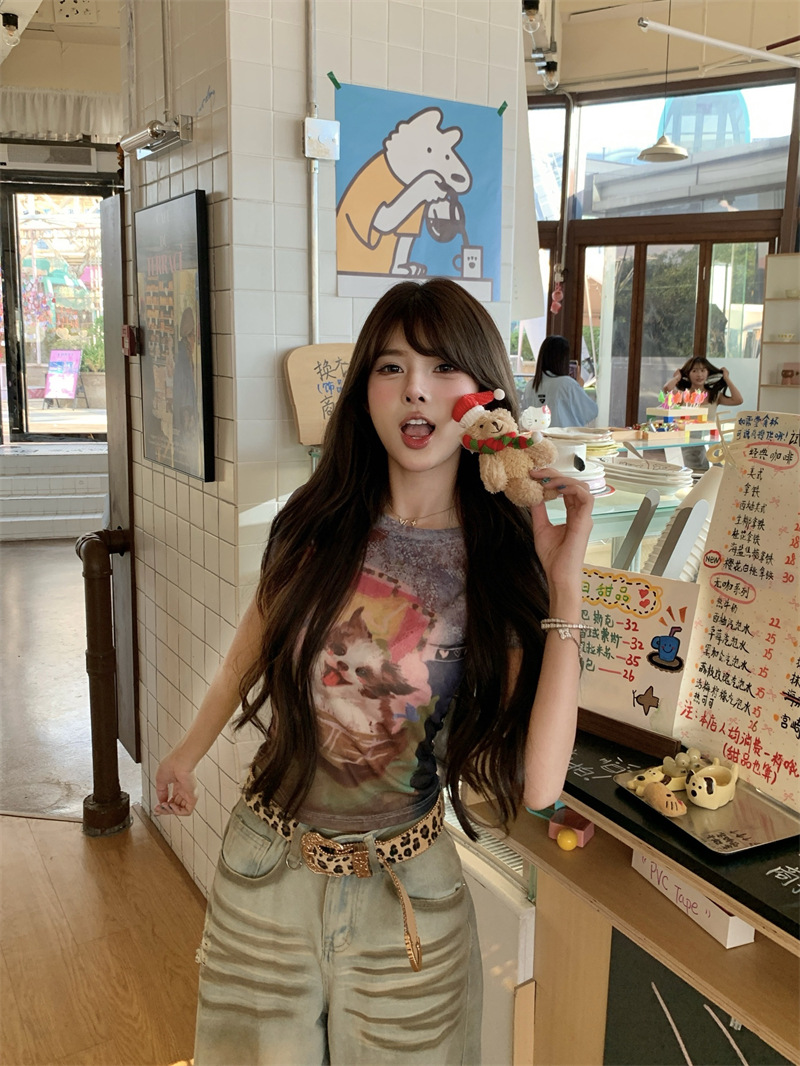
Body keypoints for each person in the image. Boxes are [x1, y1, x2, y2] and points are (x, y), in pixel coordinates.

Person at [155, 278, 593, 1066]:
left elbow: (537, 787)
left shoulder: (499, 566)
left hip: (408, 899)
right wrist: (186, 753)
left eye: (442, 367)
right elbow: (247, 652)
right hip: (265, 874)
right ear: (365, 391)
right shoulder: (316, 525)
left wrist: (565, 589)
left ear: (485, 396)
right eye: (391, 367)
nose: (415, 388)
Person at [663, 356, 743, 471]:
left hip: (711, 443)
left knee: (714, 473)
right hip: (688, 444)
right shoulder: (683, 395)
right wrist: (677, 377)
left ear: (708, 373)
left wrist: (726, 378)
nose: (699, 375)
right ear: (688, 374)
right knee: (691, 473)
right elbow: (667, 389)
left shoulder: (714, 395)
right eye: (694, 371)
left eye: (703, 370)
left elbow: (738, 400)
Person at [520, 335, 598, 428]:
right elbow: (591, 411)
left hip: (539, 436)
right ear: (564, 360)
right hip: (565, 437)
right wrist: (579, 386)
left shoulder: (531, 386)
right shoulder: (567, 384)